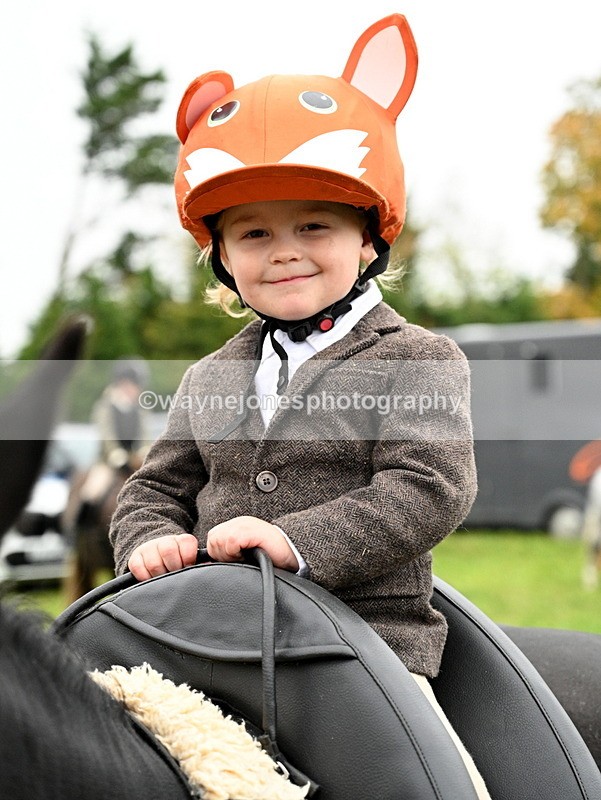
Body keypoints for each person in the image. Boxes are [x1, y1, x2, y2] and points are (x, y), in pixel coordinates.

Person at [109, 15, 489, 798]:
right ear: (223, 257)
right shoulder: (207, 377)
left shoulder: (417, 358)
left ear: (367, 239)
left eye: (312, 225)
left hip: (364, 645)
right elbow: (153, 490)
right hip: (207, 637)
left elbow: (429, 487)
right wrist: (148, 541)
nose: (282, 249)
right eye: (252, 233)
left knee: (434, 786)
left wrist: (292, 542)